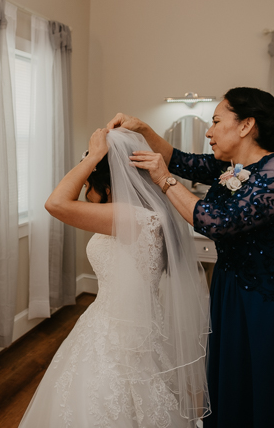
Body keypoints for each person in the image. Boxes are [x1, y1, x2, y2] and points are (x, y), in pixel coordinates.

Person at [109, 87, 274, 428]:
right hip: (233, 295)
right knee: (238, 388)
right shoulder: (230, 167)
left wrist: (164, 180)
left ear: (246, 124)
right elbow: (179, 159)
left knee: (273, 394)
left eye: (216, 121)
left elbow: (222, 222)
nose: (208, 130)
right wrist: (142, 129)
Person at [19, 128, 211, 428]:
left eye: (89, 180)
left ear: (106, 182)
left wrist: (94, 155)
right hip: (127, 322)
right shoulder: (144, 212)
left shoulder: (131, 218)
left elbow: (55, 203)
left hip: (118, 329)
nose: (83, 185)